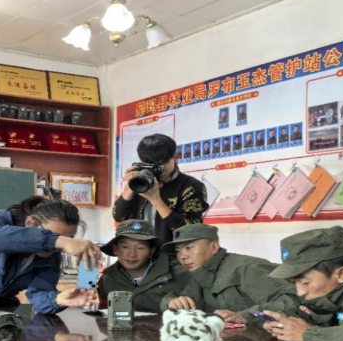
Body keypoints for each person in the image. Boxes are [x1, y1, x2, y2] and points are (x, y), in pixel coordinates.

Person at [160, 224, 297, 323]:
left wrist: (245, 316)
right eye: (178, 251)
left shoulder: (245, 268)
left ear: (214, 247)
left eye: (189, 248)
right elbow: (180, 298)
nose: (182, 256)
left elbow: (293, 301)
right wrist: (171, 302)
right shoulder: (200, 274)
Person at [113, 133, 210, 246]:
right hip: (137, 252)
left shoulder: (191, 186)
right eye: (149, 164)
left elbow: (191, 230)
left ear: (175, 158)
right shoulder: (140, 181)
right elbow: (118, 216)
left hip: (170, 253)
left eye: (161, 164)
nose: (156, 169)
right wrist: (130, 188)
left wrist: (156, 200)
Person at [96, 219, 189, 313]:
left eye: (140, 248)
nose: (132, 254)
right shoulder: (108, 279)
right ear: (115, 249)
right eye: (125, 247)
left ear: (151, 251)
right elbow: (103, 311)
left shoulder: (180, 273)